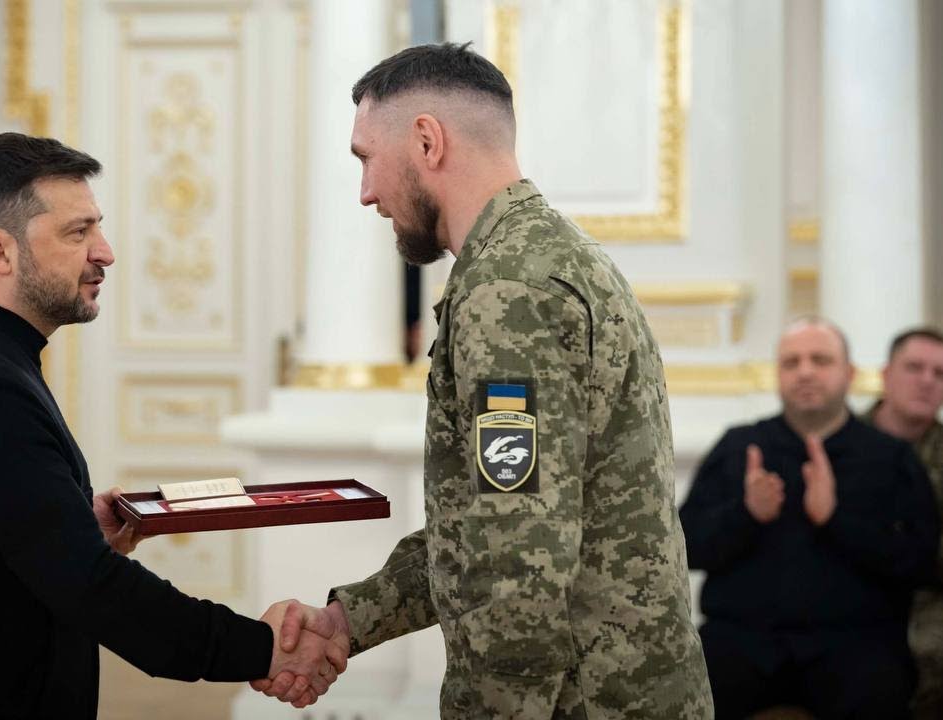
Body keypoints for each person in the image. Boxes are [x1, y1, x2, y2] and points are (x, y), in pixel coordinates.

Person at [256, 42, 712, 718]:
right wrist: (348, 621)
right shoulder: (551, 256)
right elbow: (490, 522)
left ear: (427, 141)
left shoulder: (508, 291)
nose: (366, 192)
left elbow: (518, 569)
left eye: (366, 158)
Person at [0, 133, 346, 718]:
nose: (104, 252)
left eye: (97, 228)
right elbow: (91, 588)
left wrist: (69, 527)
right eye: (77, 232)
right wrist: (260, 648)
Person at [680, 317, 940, 720]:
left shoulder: (891, 458)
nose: (805, 372)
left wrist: (836, 519)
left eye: (820, 360)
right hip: (745, 639)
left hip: (856, 643)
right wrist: (746, 513)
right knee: (684, 688)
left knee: (879, 692)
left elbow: (920, 562)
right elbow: (687, 547)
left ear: (849, 374)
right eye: (791, 362)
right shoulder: (739, 446)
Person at [865, 328, 943, 719]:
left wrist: (883, 546)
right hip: (847, 588)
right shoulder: (841, 440)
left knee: (938, 654)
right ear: (886, 374)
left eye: (940, 374)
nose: (927, 381)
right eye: (914, 367)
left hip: (928, 596)